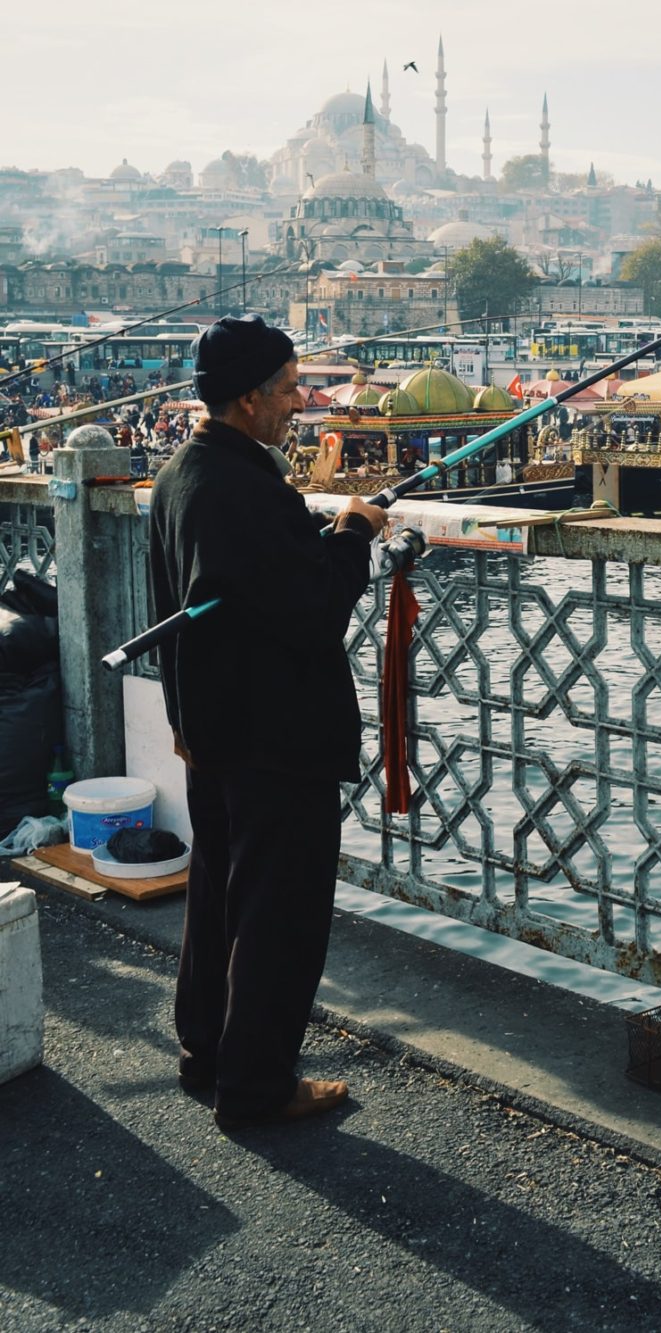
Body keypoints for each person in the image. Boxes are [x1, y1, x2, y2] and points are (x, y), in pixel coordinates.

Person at [149, 315, 389, 1131]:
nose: (300, 401)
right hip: (276, 740)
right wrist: (353, 533)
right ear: (249, 399)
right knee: (277, 916)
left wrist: (180, 718)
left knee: (219, 898)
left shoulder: (185, 473)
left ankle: (208, 1055)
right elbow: (313, 611)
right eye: (288, 388)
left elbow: (202, 601)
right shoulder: (246, 489)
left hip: (212, 733)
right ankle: (257, 1086)